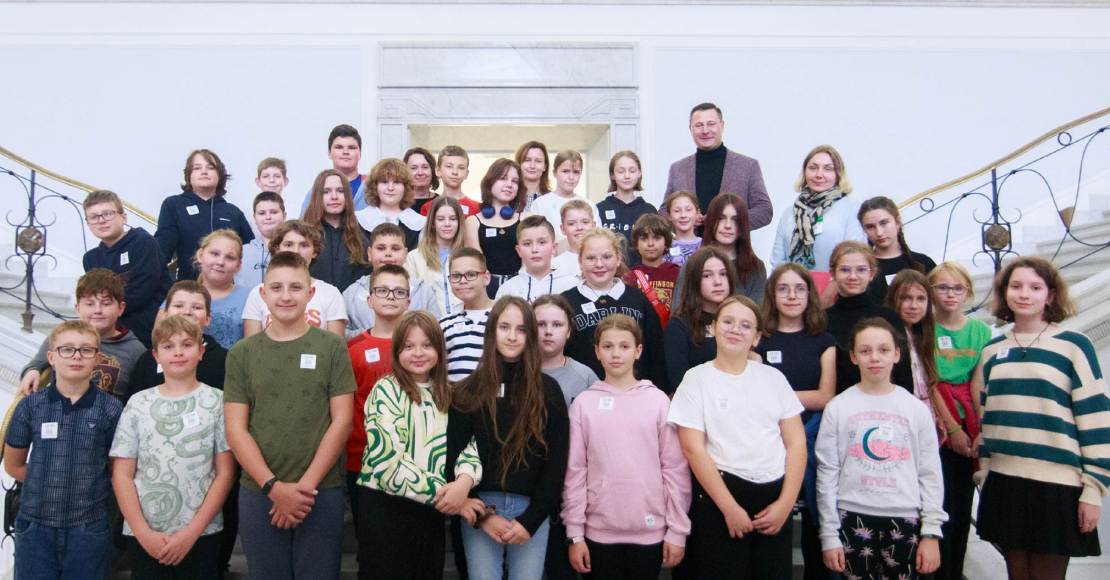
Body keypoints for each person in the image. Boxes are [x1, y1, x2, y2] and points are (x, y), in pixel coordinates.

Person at [974, 257, 1109, 579]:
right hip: (1005, 483)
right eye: (1016, 286)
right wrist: (986, 471)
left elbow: (1096, 418)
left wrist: (1094, 489)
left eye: (1035, 287)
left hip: (1057, 487)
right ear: (1004, 293)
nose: (1024, 294)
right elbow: (989, 417)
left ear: (1050, 295)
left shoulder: (1073, 346)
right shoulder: (992, 350)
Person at [224, 251, 356, 580]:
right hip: (259, 491)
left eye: (295, 287)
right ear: (262, 293)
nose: (286, 296)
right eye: (277, 287)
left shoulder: (332, 347)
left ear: (310, 294)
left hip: (320, 489)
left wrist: (304, 488)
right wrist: (274, 487)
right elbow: (236, 429)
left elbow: (342, 421)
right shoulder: (242, 353)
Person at [668, 295, 805, 578]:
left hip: (774, 498)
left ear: (756, 337)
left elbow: (796, 442)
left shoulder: (774, 379)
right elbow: (693, 449)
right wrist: (729, 508)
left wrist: (785, 504)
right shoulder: (696, 379)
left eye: (745, 325)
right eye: (728, 322)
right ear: (713, 328)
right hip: (720, 496)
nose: (735, 330)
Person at [446, 296, 570, 580]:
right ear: (492, 331)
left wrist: (531, 521)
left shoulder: (548, 391)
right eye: (504, 327)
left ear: (531, 335)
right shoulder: (467, 391)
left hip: (532, 511)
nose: (512, 336)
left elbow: (557, 463)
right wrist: (482, 517)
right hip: (479, 509)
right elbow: (453, 456)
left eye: (521, 329)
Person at [356, 311, 485, 580]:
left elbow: (471, 445)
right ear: (397, 351)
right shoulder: (385, 390)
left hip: (431, 510)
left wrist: (463, 483)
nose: (418, 353)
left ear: (439, 349)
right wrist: (454, 500)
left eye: (427, 345)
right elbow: (386, 462)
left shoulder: (450, 393)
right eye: (408, 346)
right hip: (385, 508)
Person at [563, 314, 692, 579]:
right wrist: (575, 533)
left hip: (650, 531)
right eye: (608, 346)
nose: (615, 354)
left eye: (624, 346)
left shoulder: (658, 402)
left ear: (638, 351)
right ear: (597, 351)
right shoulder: (583, 405)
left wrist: (677, 530)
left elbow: (675, 470)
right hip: (597, 532)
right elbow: (575, 472)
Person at [816, 317, 945, 579]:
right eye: (865, 350)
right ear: (853, 357)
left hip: (905, 518)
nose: (874, 357)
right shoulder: (838, 407)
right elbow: (827, 473)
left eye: (883, 350)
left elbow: (930, 473)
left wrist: (931, 532)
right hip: (852, 517)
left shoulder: (915, 409)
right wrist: (829, 533)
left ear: (897, 354)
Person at [110, 315, 235, 579]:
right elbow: (122, 474)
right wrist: (143, 533)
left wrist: (191, 533)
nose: (178, 352)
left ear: (201, 351)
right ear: (156, 355)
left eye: (187, 344)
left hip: (202, 532)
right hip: (144, 534)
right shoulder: (138, 403)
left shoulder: (217, 401)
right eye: (168, 346)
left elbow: (225, 473)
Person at [4, 320, 123, 580]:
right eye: (67, 349)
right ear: (51, 357)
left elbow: (117, 471)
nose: (76, 356)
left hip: (89, 528)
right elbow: (13, 465)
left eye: (86, 350)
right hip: (35, 526)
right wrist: (48, 479)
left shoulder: (112, 409)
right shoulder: (30, 407)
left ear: (97, 358)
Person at [754, 263, 836, 580]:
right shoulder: (759, 340)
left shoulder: (823, 341)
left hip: (813, 438)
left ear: (810, 294)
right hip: (770, 440)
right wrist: (789, 399)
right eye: (783, 289)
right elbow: (756, 395)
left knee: (815, 524)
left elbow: (825, 396)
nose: (791, 296)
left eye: (799, 289)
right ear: (772, 295)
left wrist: (778, 396)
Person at [928, 261, 991, 580]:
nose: (950, 294)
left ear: (967, 291)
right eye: (942, 287)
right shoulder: (925, 328)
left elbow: (978, 382)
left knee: (963, 505)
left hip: (969, 418)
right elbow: (930, 380)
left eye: (957, 288)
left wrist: (979, 429)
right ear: (931, 291)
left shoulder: (981, 331)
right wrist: (952, 427)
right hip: (937, 420)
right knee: (940, 503)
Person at [532, 293, 600, 580]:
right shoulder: (517, 372)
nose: (548, 331)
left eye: (557, 325)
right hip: (529, 488)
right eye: (541, 324)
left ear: (569, 331)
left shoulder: (585, 377)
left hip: (570, 491)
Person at [561, 228, 666, 389]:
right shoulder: (565, 303)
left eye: (607, 257)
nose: (599, 264)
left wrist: (659, 390)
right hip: (583, 393)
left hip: (634, 393)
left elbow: (656, 352)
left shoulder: (638, 300)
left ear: (618, 259)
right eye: (591, 258)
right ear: (580, 262)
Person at [344, 264, 409, 524]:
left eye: (398, 291)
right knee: (369, 535)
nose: (391, 296)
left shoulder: (420, 347)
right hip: (363, 460)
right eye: (382, 290)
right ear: (369, 299)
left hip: (412, 460)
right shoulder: (352, 349)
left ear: (408, 301)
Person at [19, 268, 146, 398]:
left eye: (106, 304)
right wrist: (32, 371)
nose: (98, 310)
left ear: (120, 308)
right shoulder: (61, 336)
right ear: (78, 308)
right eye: (90, 304)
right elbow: (35, 365)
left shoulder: (136, 350)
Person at [82, 189, 172, 348]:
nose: (101, 221)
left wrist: (107, 308)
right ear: (88, 223)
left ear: (123, 217)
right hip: (111, 335)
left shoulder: (143, 242)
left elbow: (142, 291)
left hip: (152, 333)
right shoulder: (90, 258)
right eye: (94, 217)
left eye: (107, 214)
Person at [663, 102, 772, 229]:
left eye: (711, 124)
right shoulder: (677, 169)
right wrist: (683, 220)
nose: (705, 131)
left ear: (722, 125)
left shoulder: (748, 166)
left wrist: (726, 219)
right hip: (689, 242)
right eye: (698, 125)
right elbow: (663, 212)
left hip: (732, 242)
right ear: (690, 129)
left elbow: (764, 210)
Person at [825, 241, 912, 394]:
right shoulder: (822, 320)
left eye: (861, 270)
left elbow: (903, 373)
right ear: (833, 273)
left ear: (871, 274)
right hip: (839, 402)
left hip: (886, 401)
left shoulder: (889, 317)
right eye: (845, 270)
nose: (853, 276)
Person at [155, 148, 254, 281]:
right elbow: (161, 253)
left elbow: (250, 254)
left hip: (227, 287)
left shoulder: (233, 212)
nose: (204, 172)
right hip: (189, 286)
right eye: (197, 168)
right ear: (189, 175)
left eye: (210, 168)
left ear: (220, 174)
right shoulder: (173, 205)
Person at [242, 220, 348, 338]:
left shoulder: (330, 294)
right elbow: (251, 346)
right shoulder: (258, 293)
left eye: (304, 245)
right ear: (277, 249)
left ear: (315, 252)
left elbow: (336, 346)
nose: (296, 251)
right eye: (288, 245)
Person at [770, 145, 866, 272]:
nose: (819, 174)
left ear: (838, 174)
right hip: (794, 284)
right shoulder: (789, 213)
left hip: (836, 283)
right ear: (804, 172)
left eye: (828, 169)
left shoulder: (852, 208)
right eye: (813, 168)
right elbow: (777, 262)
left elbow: (854, 257)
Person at [126, 281, 228, 400]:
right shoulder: (148, 360)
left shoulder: (225, 360)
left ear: (208, 319)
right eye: (178, 306)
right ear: (165, 313)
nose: (187, 312)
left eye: (197, 307)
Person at [671, 192, 766, 309]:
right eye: (721, 218)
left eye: (735, 220)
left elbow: (756, 314)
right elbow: (678, 312)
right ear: (711, 221)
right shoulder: (693, 264)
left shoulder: (755, 268)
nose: (728, 225)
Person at [663, 246, 735, 394]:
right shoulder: (679, 325)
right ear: (694, 280)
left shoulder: (740, 319)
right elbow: (679, 383)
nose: (718, 282)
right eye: (707, 275)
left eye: (723, 274)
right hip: (697, 402)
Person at [344, 223, 436, 338]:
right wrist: (372, 335)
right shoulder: (351, 293)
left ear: (405, 254)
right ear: (369, 253)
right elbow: (341, 335)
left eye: (395, 248)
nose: (388, 253)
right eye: (381, 248)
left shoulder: (424, 292)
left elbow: (436, 331)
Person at [464, 158, 526, 298]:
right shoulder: (473, 221)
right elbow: (476, 263)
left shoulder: (525, 219)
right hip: (486, 289)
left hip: (520, 288)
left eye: (515, 181)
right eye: (503, 178)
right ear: (490, 181)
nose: (509, 185)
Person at [858, 196, 936, 304]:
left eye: (884, 223)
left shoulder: (923, 263)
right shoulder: (861, 270)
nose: (879, 232)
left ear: (897, 222)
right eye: (870, 227)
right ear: (864, 230)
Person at [304, 169, 372, 292]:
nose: (334, 197)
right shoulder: (304, 236)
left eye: (340, 191)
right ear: (317, 196)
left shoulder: (361, 238)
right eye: (326, 191)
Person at [439, 247, 495, 383]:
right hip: (454, 394)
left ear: (486, 278)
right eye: (456, 276)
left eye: (471, 274)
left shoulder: (502, 317)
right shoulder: (444, 323)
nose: (463, 281)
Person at [406, 196, 468, 316]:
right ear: (433, 223)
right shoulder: (414, 258)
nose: (447, 224)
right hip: (428, 322)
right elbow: (410, 298)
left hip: (463, 322)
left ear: (460, 222)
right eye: (440, 219)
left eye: (453, 219)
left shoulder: (468, 256)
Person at [886, 269, 940, 407]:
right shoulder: (887, 336)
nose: (914, 306)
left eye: (921, 299)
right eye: (906, 298)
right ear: (893, 299)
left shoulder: (921, 334)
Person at [496, 215, 576, 303]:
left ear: (553, 248)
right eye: (527, 244)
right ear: (519, 251)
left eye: (542, 242)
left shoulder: (571, 285)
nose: (535, 249)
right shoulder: (508, 290)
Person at [597, 150, 657, 265]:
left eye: (632, 171)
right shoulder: (599, 209)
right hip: (608, 271)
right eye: (621, 171)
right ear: (612, 175)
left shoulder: (649, 210)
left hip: (642, 272)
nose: (627, 176)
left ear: (639, 173)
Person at [194, 229, 252, 349]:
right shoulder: (181, 294)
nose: (220, 262)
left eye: (230, 258)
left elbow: (252, 348)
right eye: (215, 254)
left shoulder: (250, 298)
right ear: (200, 255)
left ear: (238, 265)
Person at [623, 213, 680, 328]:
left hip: (671, 332)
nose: (650, 244)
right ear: (636, 244)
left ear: (666, 242)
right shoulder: (630, 277)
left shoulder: (677, 273)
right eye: (644, 238)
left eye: (657, 238)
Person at [355, 158, 426, 251]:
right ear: (375, 186)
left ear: (406, 187)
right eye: (384, 182)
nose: (390, 188)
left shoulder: (420, 223)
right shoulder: (358, 219)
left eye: (397, 182)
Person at [298, 124, 368, 214]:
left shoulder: (373, 188)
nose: (345, 152)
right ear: (329, 153)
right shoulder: (317, 190)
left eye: (351, 148)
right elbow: (304, 222)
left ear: (360, 153)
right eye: (339, 147)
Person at [530, 150, 601, 235]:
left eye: (576, 172)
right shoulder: (540, 204)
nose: (571, 177)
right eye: (565, 171)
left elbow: (597, 236)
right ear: (554, 173)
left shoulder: (589, 205)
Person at [237, 191, 287, 289]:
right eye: (262, 213)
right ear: (254, 218)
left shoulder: (294, 249)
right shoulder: (240, 252)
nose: (268, 217)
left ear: (284, 216)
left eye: (274, 212)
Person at [421, 145, 481, 218]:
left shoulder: (477, 208)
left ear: (466, 174)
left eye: (461, 168)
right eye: (449, 166)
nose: (455, 172)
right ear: (438, 171)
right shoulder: (428, 207)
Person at [550, 200, 595, 289]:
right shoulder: (554, 266)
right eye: (571, 224)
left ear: (593, 225)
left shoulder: (604, 262)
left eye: (585, 222)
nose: (579, 228)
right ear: (563, 229)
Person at [661, 191, 702, 266]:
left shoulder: (705, 245)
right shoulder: (664, 248)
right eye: (677, 211)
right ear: (669, 215)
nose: (683, 215)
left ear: (697, 213)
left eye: (688, 210)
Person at [516, 140, 551, 212]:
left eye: (538, 161)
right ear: (519, 164)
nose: (532, 166)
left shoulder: (552, 199)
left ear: (545, 167)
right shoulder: (509, 196)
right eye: (527, 160)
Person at [407, 146, 441, 214]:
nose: (420, 173)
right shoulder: (398, 203)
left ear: (433, 171)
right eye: (414, 168)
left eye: (425, 167)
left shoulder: (441, 203)